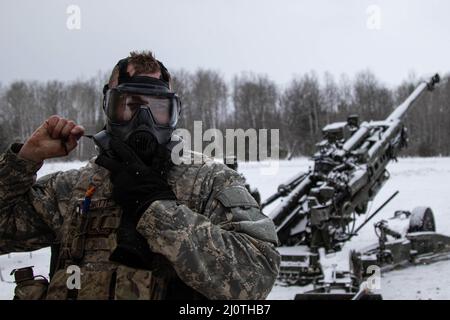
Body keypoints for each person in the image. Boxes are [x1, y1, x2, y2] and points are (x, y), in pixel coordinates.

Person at [0, 51, 280, 300]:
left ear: (173, 113)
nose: (143, 120)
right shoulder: (72, 189)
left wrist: (156, 208)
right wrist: (24, 160)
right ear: (108, 106)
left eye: (158, 108)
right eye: (131, 106)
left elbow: (257, 277)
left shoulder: (208, 181)